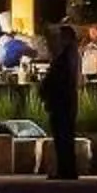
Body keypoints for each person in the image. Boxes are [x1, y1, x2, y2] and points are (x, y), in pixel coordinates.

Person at [39, 20, 82, 180]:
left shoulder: (65, 56)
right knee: (65, 138)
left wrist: (45, 90)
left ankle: (66, 171)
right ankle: (67, 170)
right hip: (66, 102)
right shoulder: (71, 54)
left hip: (62, 103)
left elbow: (57, 79)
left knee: (63, 138)